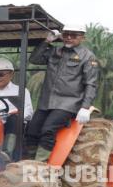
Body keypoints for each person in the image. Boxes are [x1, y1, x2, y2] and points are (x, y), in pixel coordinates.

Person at [26, 25, 98, 161]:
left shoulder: (87, 56)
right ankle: (29, 161)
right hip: (46, 102)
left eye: (74, 35)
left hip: (68, 103)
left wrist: (85, 107)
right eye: (66, 34)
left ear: (83, 37)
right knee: (31, 131)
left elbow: (91, 84)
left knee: (47, 130)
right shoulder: (55, 51)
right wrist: (46, 42)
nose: (69, 38)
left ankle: (40, 165)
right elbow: (34, 59)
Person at [0, 58, 34, 157]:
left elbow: (29, 112)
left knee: (14, 119)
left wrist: (16, 113)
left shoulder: (21, 91)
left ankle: (6, 154)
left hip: (11, 124)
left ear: (11, 74)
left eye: (1, 74)